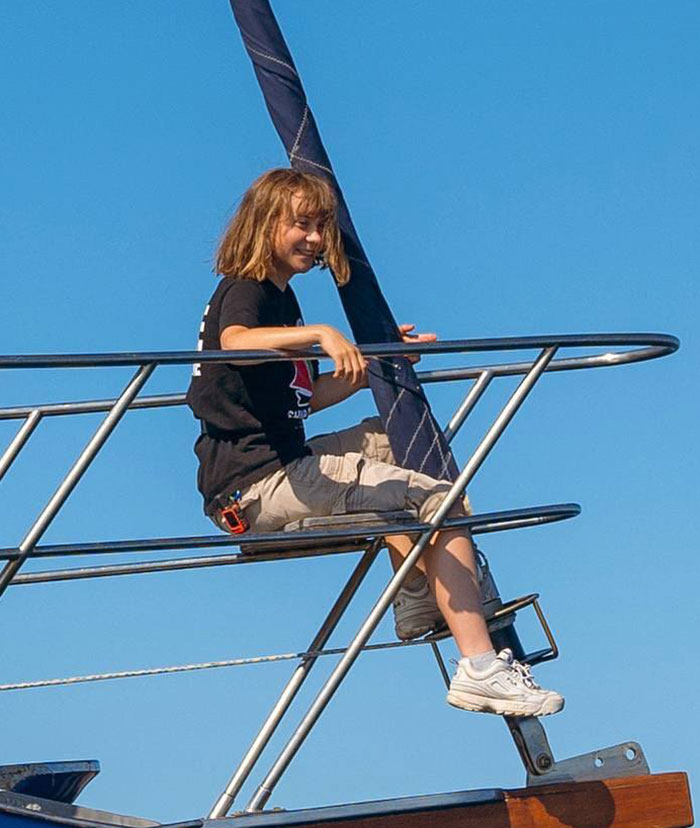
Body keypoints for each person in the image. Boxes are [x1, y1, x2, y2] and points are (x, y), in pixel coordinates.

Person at [187, 168, 564, 718]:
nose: (316, 240)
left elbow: (304, 399)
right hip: (255, 488)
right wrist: (322, 333)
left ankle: (415, 600)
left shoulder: (281, 301)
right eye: (303, 225)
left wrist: (378, 360)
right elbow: (236, 344)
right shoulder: (247, 292)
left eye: (322, 227)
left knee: (399, 438)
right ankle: (481, 668)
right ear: (265, 223)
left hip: (282, 463)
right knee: (440, 499)